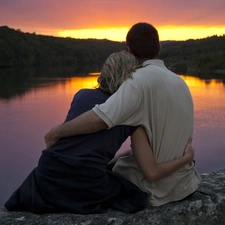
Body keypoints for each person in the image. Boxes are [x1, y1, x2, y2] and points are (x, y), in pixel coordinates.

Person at [4, 52, 195, 214]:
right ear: (132, 78)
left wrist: (111, 160)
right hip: (85, 183)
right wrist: (186, 158)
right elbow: (151, 171)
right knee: (134, 195)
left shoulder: (81, 95)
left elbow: (80, 144)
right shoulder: (131, 112)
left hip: (47, 173)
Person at [44, 22, 201, 207]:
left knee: (100, 178)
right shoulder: (180, 82)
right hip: (184, 184)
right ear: (159, 47)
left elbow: (100, 118)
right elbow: (152, 144)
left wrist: (56, 132)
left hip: (155, 190)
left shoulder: (136, 82)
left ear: (128, 50)